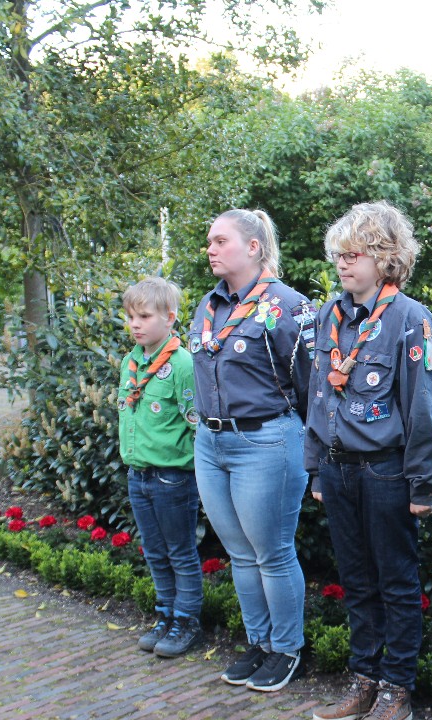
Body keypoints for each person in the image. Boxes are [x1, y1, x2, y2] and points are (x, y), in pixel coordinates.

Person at [305, 201, 432, 720]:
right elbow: (317, 396)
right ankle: (364, 678)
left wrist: (421, 483)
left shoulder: (409, 318)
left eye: (355, 253)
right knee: (356, 580)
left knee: (396, 583)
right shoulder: (328, 316)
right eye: (339, 254)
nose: (343, 263)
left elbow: (422, 408)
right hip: (337, 469)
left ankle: (396, 689)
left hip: (386, 471)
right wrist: (316, 468)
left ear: (386, 258)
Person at [191, 208, 317, 692]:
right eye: (209, 241)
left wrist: (310, 450)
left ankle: (287, 648)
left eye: (220, 240)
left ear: (253, 247)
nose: (211, 249)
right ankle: (259, 642)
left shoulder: (290, 307)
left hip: (265, 442)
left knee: (272, 552)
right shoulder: (208, 306)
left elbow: (310, 389)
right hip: (210, 443)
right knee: (240, 554)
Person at [119, 276, 203, 658]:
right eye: (131, 317)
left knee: (180, 552)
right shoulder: (130, 363)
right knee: (154, 551)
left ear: (170, 318)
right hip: (138, 475)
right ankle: (165, 615)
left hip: (172, 478)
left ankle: (187, 621)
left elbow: (197, 424)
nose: (135, 324)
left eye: (144, 316)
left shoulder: (182, 365)